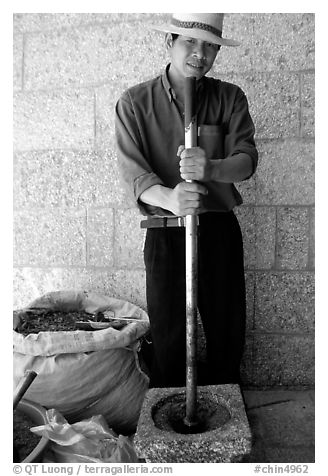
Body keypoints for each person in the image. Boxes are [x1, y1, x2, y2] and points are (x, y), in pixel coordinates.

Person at [115, 13, 258, 388]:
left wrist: (210, 168)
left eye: (210, 46)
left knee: (226, 324)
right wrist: (170, 198)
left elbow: (246, 160)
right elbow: (135, 174)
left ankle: (223, 402)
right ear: (169, 41)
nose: (201, 53)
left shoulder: (230, 97)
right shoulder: (134, 103)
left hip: (217, 229)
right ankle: (172, 405)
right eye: (190, 42)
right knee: (168, 329)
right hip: (165, 230)